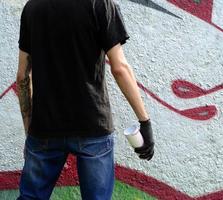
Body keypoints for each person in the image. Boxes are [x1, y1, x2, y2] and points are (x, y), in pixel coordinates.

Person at [16, 0, 155, 199]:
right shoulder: (100, 4)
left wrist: (29, 131)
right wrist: (145, 122)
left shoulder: (32, 7)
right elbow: (120, 68)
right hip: (93, 127)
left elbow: (22, 76)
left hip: (44, 128)